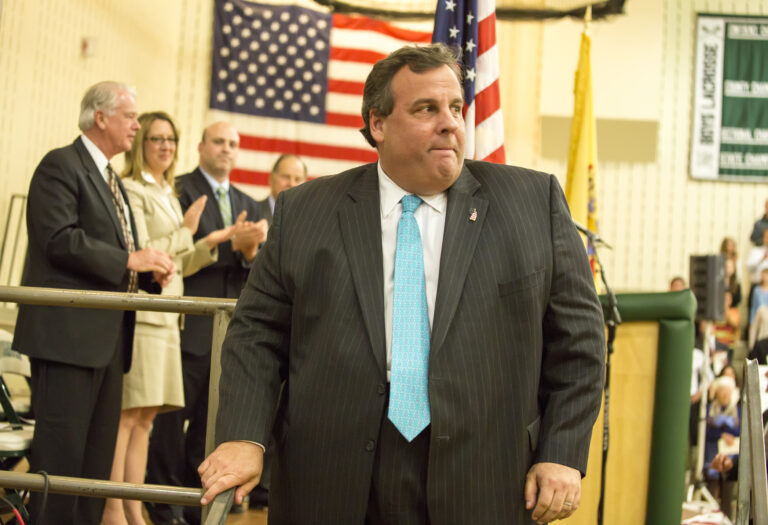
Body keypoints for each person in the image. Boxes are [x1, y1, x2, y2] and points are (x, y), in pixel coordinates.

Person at [198, 44, 605, 524]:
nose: (450, 122)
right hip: (332, 476)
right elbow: (256, 335)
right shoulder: (305, 211)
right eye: (426, 109)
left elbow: (579, 344)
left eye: (455, 108)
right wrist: (245, 436)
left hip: (485, 477)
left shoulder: (532, 204)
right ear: (378, 124)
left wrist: (561, 450)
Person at [12, 81, 176, 525]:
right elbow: (58, 239)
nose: (137, 126)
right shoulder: (60, 165)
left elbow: (115, 248)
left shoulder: (110, 178)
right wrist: (128, 258)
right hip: (66, 340)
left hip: (107, 343)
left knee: (94, 468)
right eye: (130, 116)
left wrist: (148, 271)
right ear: (100, 117)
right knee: (60, 466)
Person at [102, 112, 238, 525]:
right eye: (156, 138)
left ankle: (133, 506)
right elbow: (146, 252)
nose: (165, 146)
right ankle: (111, 507)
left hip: (168, 316)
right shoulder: (131, 188)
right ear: (141, 142)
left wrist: (209, 242)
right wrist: (187, 230)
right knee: (127, 416)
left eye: (171, 139)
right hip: (144, 312)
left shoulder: (169, 191)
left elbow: (178, 262)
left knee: (146, 418)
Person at [146, 121, 267, 525]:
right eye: (219, 142)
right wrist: (223, 244)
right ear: (200, 147)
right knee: (166, 426)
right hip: (186, 325)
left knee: (206, 427)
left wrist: (249, 252)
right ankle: (162, 507)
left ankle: (194, 508)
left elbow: (254, 273)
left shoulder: (248, 200)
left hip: (227, 331)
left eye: (233, 143)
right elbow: (173, 258)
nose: (226, 149)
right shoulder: (177, 191)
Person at [258, 154, 308, 225]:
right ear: (271, 179)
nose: (291, 184)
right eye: (286, 177)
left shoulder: (310, 220)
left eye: (297, 179)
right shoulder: (251, 212)